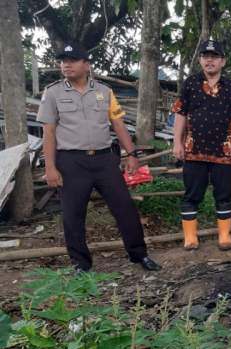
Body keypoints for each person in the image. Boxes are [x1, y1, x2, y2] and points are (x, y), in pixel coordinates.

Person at [36, 44, 161, 273]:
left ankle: (139, 255)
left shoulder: (105, 91)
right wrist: (50, 167)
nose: (66, 65)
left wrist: (132, 154)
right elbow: (49, 132)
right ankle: (80, 265)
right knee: (73, 215)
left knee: (125, 208)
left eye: (72, 60)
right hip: (71, 162)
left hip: (104, 161)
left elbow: (118, 125)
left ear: (86, 65)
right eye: (63, 61)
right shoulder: (53, 93)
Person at [171, 40, 231, 251]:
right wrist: (177, 142)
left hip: (224, 151)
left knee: (224, 195)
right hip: (194, 150)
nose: (209, 60)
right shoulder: (190, 83)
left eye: (214, 57)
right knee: (191, 194)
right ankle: (190, 237)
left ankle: (224, 236)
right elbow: (180, 113)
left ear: (223, 61)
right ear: (200, 60)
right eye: (205, 56)